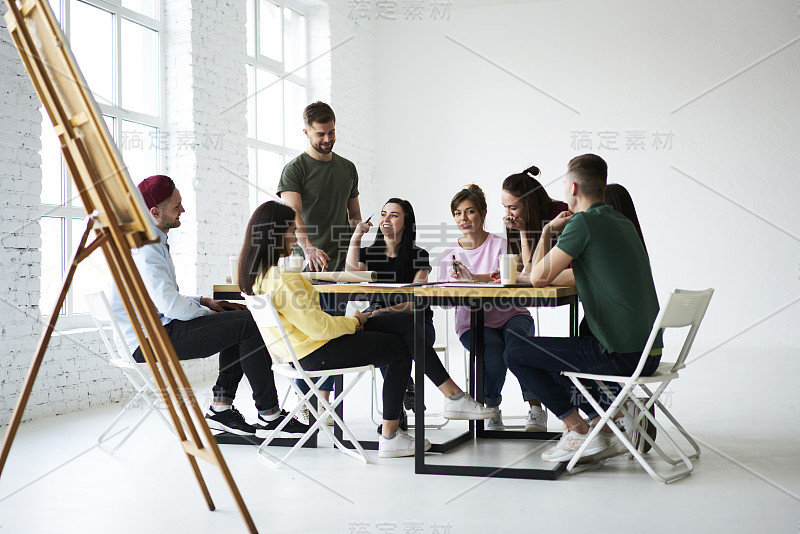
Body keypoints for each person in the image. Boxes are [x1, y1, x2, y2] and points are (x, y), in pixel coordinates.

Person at [240, 201, 497, 458]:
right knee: (401, 346)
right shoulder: (284, 278)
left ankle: (445, 404)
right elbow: (319, 328)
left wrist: (362, 318)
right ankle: (402, 428)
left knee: (406, 325)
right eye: (290, 230)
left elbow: (316, 324)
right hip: (315, 351)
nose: (295, 236)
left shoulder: (261, 276)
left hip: (299, 351)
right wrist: (355, 321)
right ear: (274, 233)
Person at [109, 175, 308, 438]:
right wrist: (207, 313)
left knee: (238, 319)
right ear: (155, 212)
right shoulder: (146, 248)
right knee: (248, 323)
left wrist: (204, 302)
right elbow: (170, 306)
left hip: (149, 333)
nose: (183, 210)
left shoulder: (149, 241)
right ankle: (268, 414)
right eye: (176, 207)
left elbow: (159, 299)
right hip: (147, 341)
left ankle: (221, 408)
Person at [503, 154, 663, 463]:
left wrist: (548, 229)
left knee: (516, 351)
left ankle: (579, 431)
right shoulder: (620, 222)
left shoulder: (584, 222)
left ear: (573, 187)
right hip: (649, 353)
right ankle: (616, 413)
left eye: (563, 184)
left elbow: (538, 278)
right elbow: (574, 273)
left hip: (620, 355)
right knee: (571, 342)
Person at [437, 184, 546, 432]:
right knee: (494, 350)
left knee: (518, 346)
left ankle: (536, 409)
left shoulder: (500, 244)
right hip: (472, 323)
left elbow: (508, 280)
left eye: (470, 211)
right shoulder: (448, 255)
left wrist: (473, 279)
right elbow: (443, 302)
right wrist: (457, 287)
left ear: (483, 213)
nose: (463, 219)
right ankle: (491, 409)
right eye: (457, 213)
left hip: (512, 314)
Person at [277, 101, 362, 409]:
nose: (327, 139)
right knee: (308, 337)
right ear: (306, 132)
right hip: (305, 266)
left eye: (331, 132)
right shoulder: (295, 169)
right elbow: (292, 214)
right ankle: (309, 405)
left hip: (339, 267)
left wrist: (360, 232)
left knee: (334, 332)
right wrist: (309, 247)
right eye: (320, 134)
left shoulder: (348, 168)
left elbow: (353, 216)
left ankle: (319, 405)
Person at [346, 198, 434, 418]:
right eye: (384, 214)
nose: (386, 219)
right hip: (381, 323)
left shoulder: (419, 255)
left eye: (394, 215)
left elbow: (416, 303)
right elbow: (351, 278)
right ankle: (402, 397)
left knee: (389, 342)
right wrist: (356, 237)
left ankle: (395, 412)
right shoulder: (369, 253)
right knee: (385, 341)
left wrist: (384, 312)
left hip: (416, 325)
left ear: (406, 222)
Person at [501, 165, 569, 275]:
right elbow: (519, 266)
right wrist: (476, 277)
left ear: (529, 205)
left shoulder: (558, 215)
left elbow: (532, 271)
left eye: (513, 208)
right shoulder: (523, 220)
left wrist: (523, 232)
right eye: (505, 207)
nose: (508, 214)